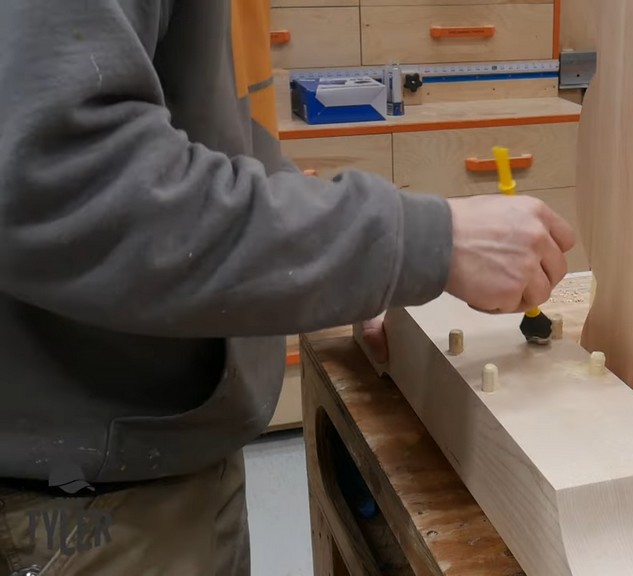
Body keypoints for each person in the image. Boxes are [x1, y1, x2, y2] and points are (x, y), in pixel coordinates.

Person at [0, 1, 576, 574]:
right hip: (79, 496)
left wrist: (373, 272)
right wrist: (420, 241)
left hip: (162, 450)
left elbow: (218, 148)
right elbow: (68, 184)